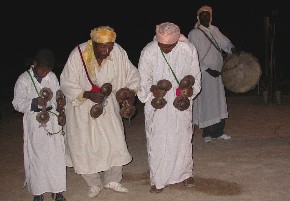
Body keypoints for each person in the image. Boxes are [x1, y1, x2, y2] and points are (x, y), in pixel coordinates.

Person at [60, 26, 140, 199]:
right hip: (81, 106)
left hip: (108, 103)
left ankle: (113, 179)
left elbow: (131, 73)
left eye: (110, 46)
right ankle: (93, 183)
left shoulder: (117, 51)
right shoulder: (79, 54)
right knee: (83, 145)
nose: (107, 50)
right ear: (93, 44)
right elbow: (66, 81)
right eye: (103, 47)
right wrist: (87, 94)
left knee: (115, 139)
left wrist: (129, 91)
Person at [137, 22, 201, 193]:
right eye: (162, 46)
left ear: (177, 41)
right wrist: (152, 89)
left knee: (183, 137)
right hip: (158, 102)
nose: (165, 49)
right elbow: (143, 79)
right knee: (158, 140)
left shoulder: (188, 50)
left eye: (170, 46)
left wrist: (189, 91)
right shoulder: (149, 51)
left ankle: (185, 173)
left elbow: (195, 76)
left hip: (180, 101)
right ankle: (158, 179)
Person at [12, 48, 66, 201]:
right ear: (34, 64)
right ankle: (38, 192)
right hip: (34, 121)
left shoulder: (52, 77)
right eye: (42, 70)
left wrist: (60, 102)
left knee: (56, 156)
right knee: (37, 157)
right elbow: (17, 103)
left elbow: (56, 97)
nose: (44, 73)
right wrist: (34, 103)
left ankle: (58, 191)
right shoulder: (24, 79)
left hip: (53, 121)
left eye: (47, 70)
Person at [188, 5, 236, 143]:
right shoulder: (194, 33)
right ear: (198, 17)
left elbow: (225, 44)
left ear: (210, 17)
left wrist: (232, 49)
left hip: (218, 72)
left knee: (219, 102)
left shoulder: (214, 30)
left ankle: (219, 131)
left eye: (207, 15)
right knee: (207, 103)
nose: (205, 17)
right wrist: (206, 69)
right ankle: (207, 133)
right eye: (202, 15)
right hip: (204, 73)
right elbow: (193, 55)